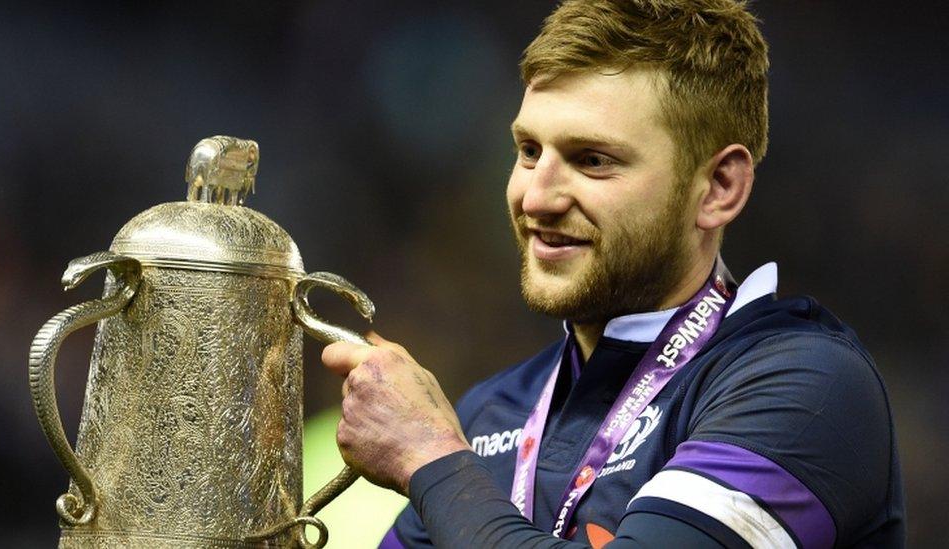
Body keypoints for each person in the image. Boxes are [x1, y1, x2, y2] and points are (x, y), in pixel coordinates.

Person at [321, 1, 905, 547]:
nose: (537, 197)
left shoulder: (807, 388)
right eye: (529, 151)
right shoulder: (488, 412)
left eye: (592, 160)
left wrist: (430, 458)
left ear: (719, 188)